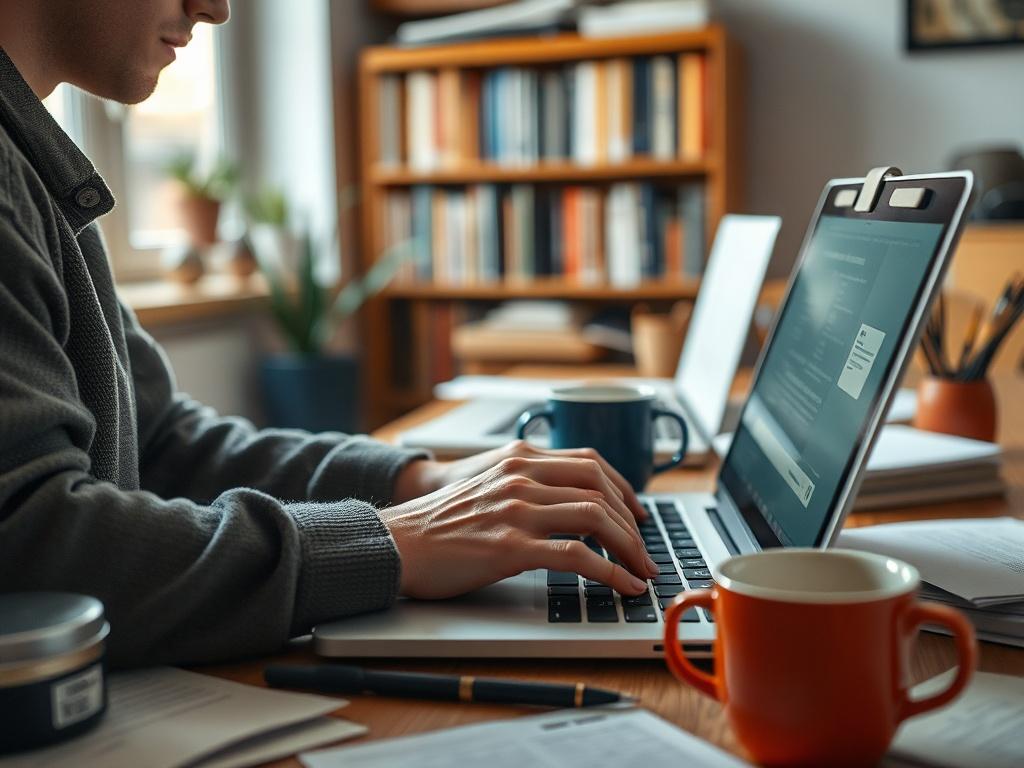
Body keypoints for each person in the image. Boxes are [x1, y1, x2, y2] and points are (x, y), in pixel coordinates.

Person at [0, 0, 657, 667]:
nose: (217, 10)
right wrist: (388, 542)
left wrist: (424, 483)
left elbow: (164, 444)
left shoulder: (35, 168)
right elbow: (29, 545)